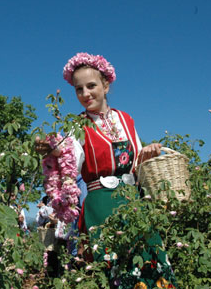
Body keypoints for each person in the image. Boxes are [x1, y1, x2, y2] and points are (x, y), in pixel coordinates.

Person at [36, 53, 176, 288]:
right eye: (79, 89)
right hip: (101, 203)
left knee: (151, 258)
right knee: (113, 263)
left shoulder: (126, 119)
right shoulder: (77, 125)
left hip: (133, 200)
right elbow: (70, 155)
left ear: (106, 85)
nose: (85, 94)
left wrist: (149, 152)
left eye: (91, 86)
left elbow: (137, 159)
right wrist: (52, 149)